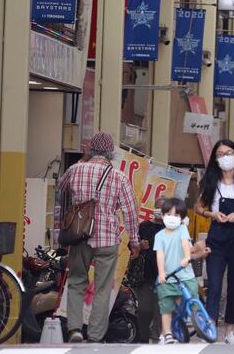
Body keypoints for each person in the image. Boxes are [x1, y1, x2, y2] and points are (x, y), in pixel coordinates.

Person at [57, 132, 140, 343]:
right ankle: (94, 336)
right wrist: (135, 241)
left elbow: (61, 188)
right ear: (111, 153)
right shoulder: (119, 176)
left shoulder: (75, 170)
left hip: (80, 236)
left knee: (77, 282)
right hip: (107, 240)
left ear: (90, 149)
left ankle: (75, 329)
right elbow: (131, 212)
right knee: (103, 288)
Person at [195, 140, 234, 344]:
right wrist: (211, 214)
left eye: (228, 153)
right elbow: (198, 207)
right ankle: (210, 326)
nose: (225, 157)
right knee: (213, 284)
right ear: (215, 158)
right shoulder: (210, 181)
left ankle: (230, 331)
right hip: (217, 236)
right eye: (220, 154)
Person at [154, 197, 198, 344]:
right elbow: (160, 255)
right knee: (166, 307)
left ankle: (180, 327)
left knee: (183, 304)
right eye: (169, 214)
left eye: (177, 215)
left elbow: (185, 243)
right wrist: (161, 273)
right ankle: (166, 334)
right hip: (167, 278)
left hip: (184, 275)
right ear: (162, 215)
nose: (172, 218)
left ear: (182, 218)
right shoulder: (159, 236)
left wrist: (187, 257)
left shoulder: (182, 229)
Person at [135, 196, 167, 343]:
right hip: (145, 274)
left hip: (164, 275)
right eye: (159, 207)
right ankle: (143, 337)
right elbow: (132, 247)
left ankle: (155, 338)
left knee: (160, 310)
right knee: (144, 309)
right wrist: (140, 245)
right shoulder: (144, 226)